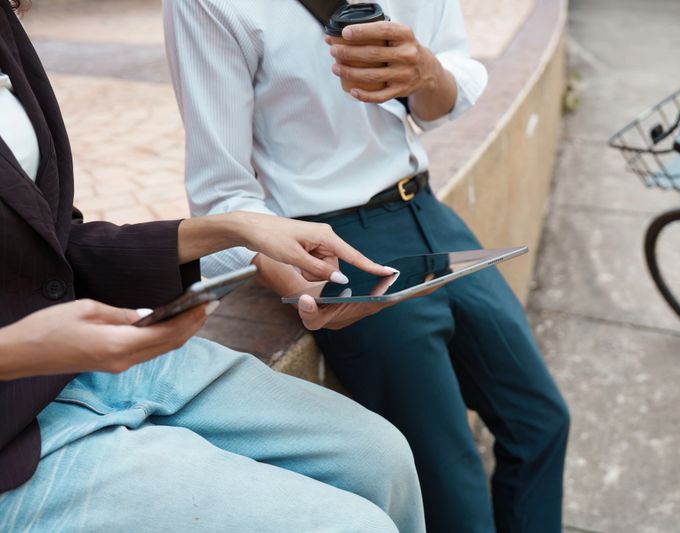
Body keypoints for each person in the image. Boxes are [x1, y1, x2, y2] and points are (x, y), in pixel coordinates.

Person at [0, 1, 425, 531]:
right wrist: (19, 350)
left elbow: (49, 240)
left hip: (81, 370)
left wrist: (234, 231)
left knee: (380, 455)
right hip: (13, 434)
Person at [164, 1, 571, 531]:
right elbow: (221, 194)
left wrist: (427, 73)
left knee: (540, 420)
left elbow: (442, 94)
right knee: (449, 482)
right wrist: (286, 268)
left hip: (429, 212)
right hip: (335, 241)